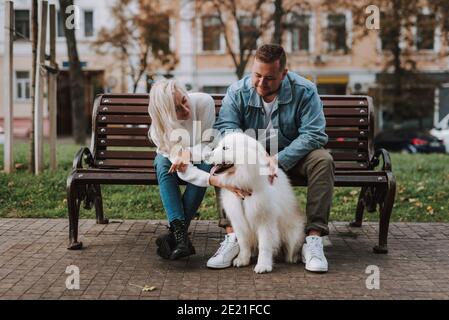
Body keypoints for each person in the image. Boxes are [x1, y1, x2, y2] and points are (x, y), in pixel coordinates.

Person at [207, 44, 335, 273]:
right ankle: (233, 237)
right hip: (252, 161)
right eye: (256, 75)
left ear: (284, 73)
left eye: (269, 78)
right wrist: (255, 153)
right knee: (224, 162)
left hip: (294, 157)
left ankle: (313, 239)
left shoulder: (305, 90)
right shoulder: (237, 91)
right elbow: (226, 128)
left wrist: (278, 159)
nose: (260, 83)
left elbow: (314, 133)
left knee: (322, 160)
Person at [148, 79, 249, 260]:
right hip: (173, 162)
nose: (186, 110)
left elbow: (208, 145)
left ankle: (176, 237)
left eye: (184, 101)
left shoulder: (204, 102)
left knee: (204, 164)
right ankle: (180, 236)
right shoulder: (159, 130)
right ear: (166, 115)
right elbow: (181, 170)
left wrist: (188, 152)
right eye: (177, 110)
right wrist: (216, 181)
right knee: (163, 163)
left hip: (204, 155)